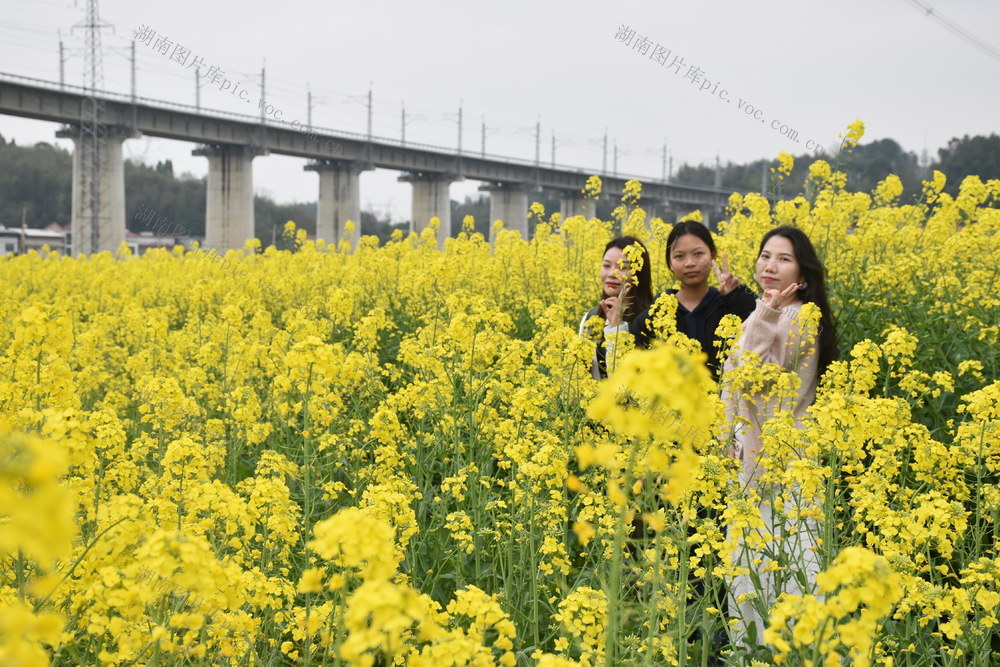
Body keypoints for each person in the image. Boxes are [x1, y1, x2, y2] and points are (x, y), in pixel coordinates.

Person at [720, 225, 838, 653]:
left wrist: (765, 315)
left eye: (783, 259)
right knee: (755, 567)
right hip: (756, 458)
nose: (769, 266)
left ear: (802, 273)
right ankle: (756, 654)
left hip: (783, 463)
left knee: (781, 569)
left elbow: (753, 376)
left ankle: (784, 655)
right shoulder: (771, 309)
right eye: (765, 255)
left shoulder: (798, 316)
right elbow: (732, 386)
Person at [629, 221, 756, 377]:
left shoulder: (731, 306)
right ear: (670, 264)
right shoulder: (653, 317)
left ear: (713, 256)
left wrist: (736, 295)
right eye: (679, 256)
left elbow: (759, 330)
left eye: (698, 254)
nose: (689, 263)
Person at [578, 236, 654, 380]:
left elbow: (627, 386)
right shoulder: (590, 318)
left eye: (624, 268)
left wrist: (617, 328)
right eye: (606, 266)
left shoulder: (651, 321)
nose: (612, 274)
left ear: (639, 273)